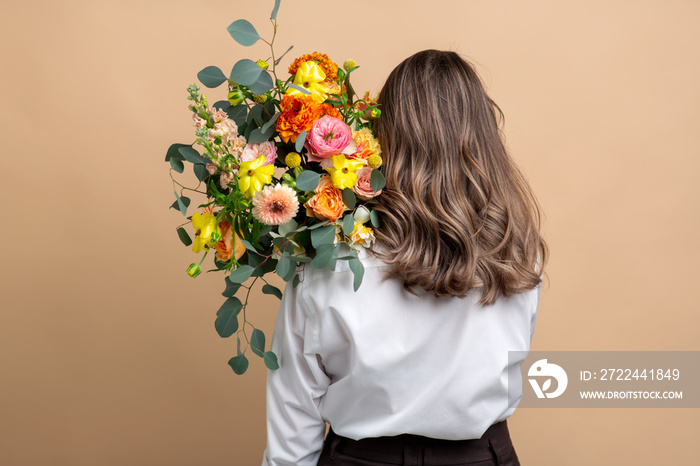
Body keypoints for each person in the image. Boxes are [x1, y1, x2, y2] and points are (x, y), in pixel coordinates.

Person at [261, 49, 548, 466]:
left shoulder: (328, 259)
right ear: (483, 136)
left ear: (383, 135)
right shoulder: (520, 253)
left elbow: (294, 414)